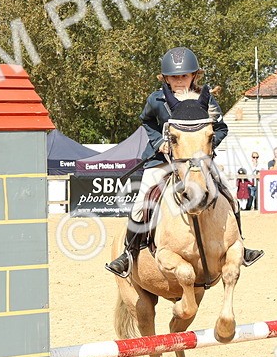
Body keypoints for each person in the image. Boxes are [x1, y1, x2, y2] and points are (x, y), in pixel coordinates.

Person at [105, 47, 264, 278]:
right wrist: (159, 142)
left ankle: (241, 245)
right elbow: (146, 121)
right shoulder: (156, 99)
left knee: (230, 195)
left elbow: (221, 128)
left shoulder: (206, 101)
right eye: (174, 77)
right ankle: (128, 254)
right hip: (161, 160)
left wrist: (205, 145)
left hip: (198, 163)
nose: (179, 81)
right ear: (165, 78)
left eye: (184, 75)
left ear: (194, 76)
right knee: (141, 203)